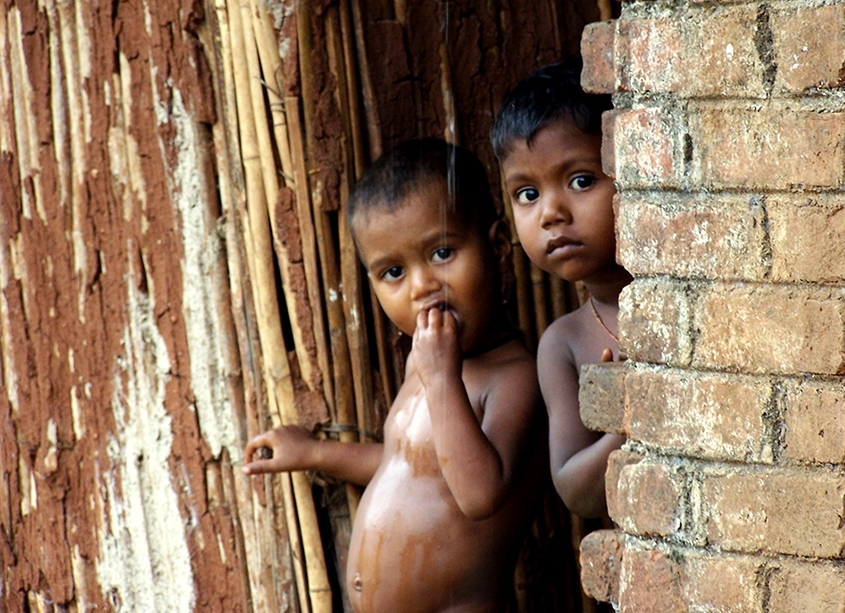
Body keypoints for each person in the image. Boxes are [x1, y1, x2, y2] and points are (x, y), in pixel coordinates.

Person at [243, 139, 546, 613]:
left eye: (442, 252)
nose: (422, 286)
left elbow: (479, 492)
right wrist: (314, 452)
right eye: (393, 272)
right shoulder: (424, 363)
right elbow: (408, 464)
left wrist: (442, 378)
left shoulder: (515, 377)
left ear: (497, 248)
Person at [491, 59, 630, 521]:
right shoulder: (564, 344)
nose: (550, 213)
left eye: (581, 181)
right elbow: (577, 491)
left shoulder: (699, 298)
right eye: (527, 194)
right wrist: (630, 422)